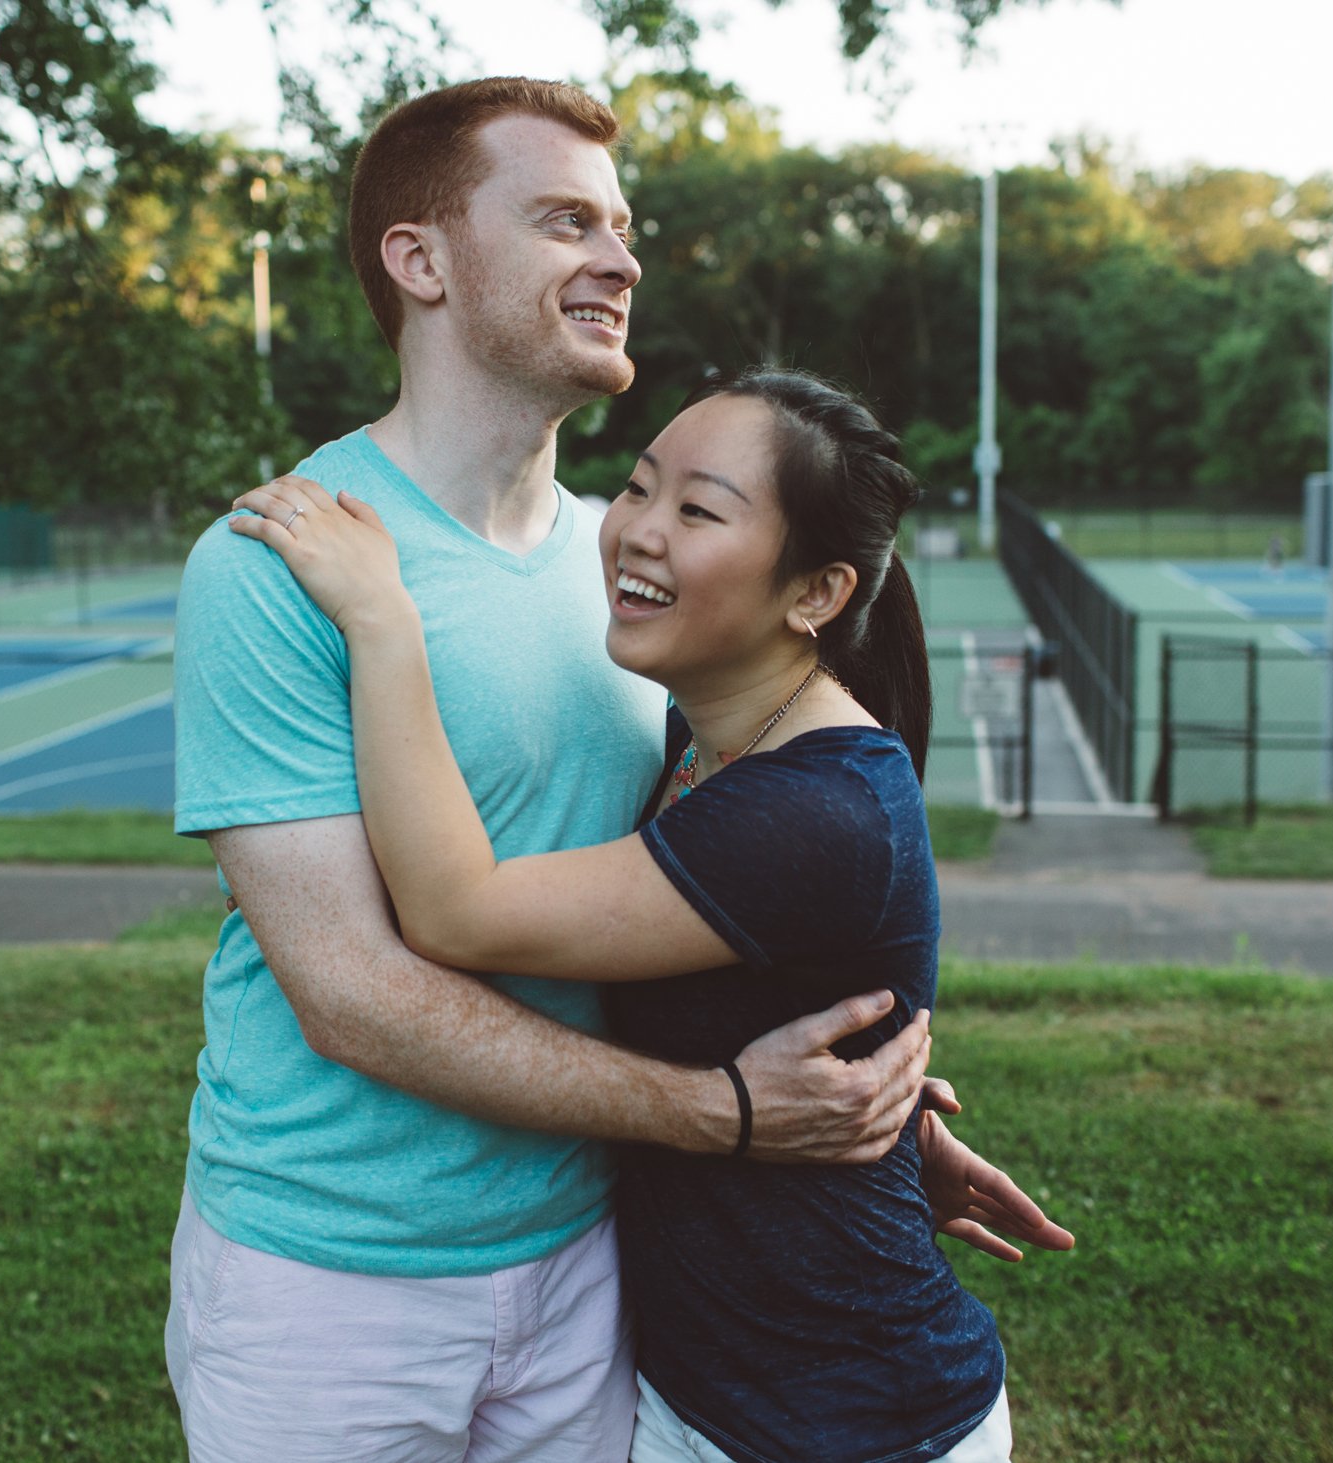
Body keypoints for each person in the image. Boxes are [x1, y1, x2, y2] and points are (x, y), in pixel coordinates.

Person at [168, 79, 1037, 1463]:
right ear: (422, 259)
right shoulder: (286, 561)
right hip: (333, 1274)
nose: (621, 259)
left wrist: (865, 1130)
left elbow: (724, 891)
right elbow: (352, 991)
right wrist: (736, 1115)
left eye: (623, 226)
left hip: (593, 1258)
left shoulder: (640, 580)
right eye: (566, 218)